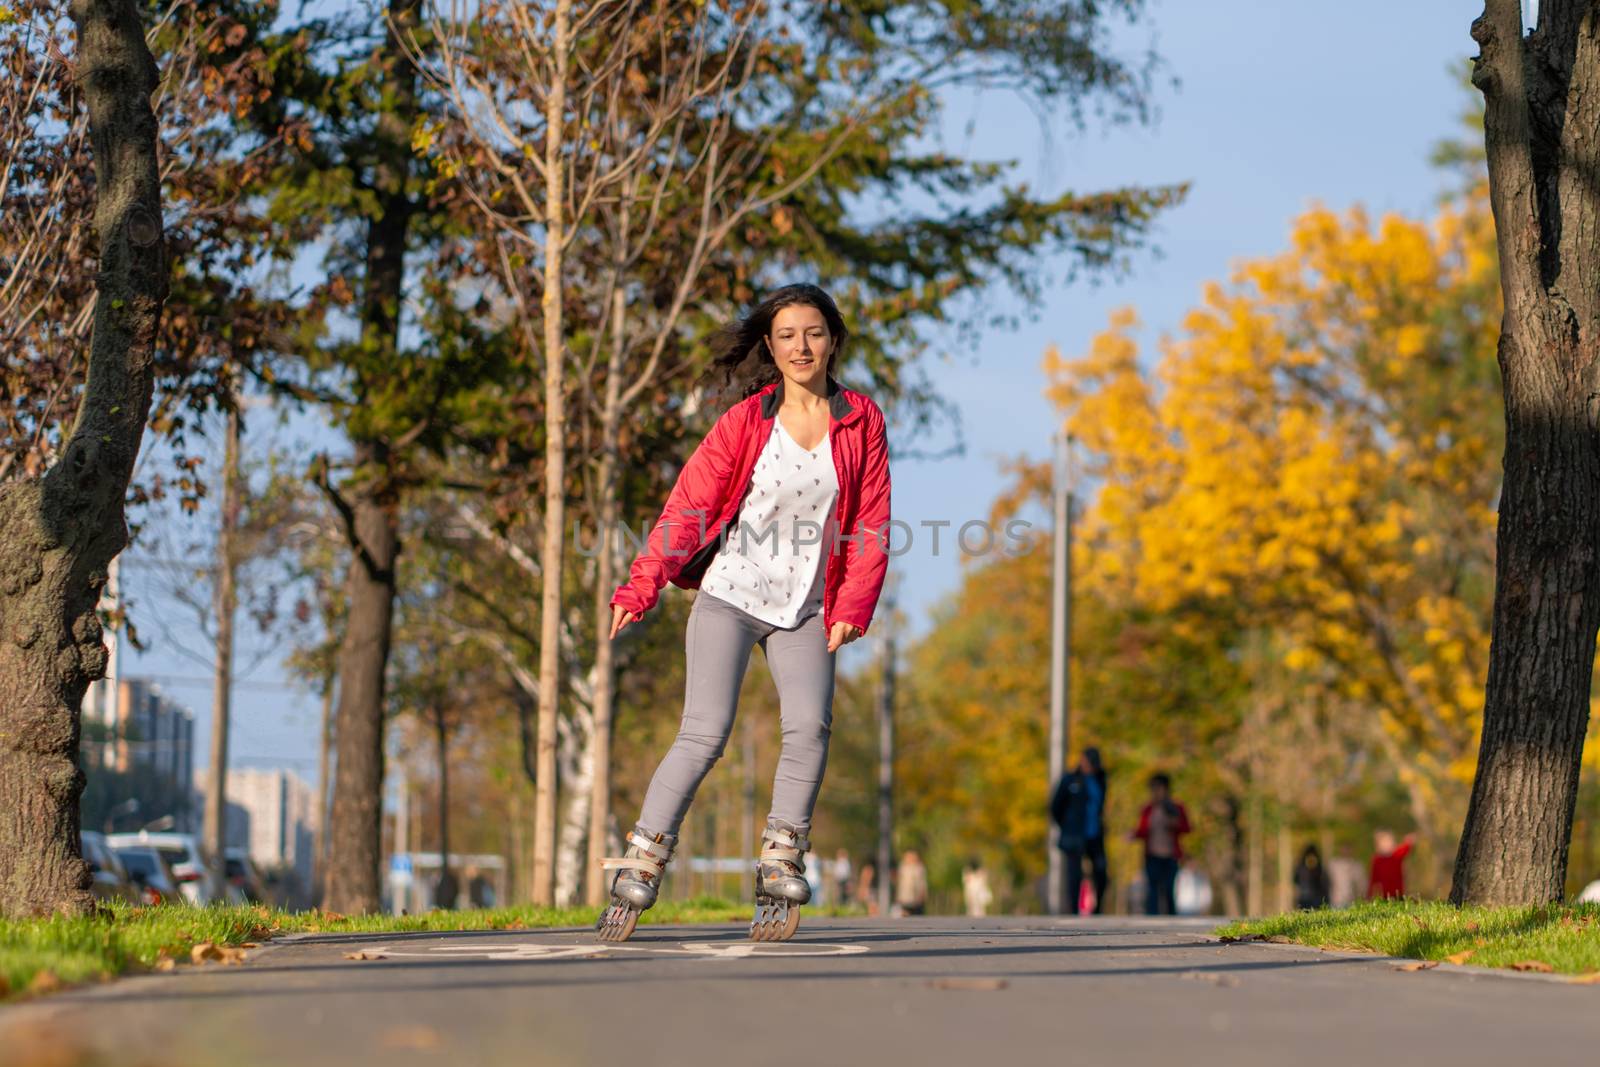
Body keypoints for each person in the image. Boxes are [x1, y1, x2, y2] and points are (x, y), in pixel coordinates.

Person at [598, 284, 892, 943]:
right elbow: (690, 505)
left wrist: (853, 606)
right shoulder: (746, 421)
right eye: (787, 335)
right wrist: (640, 586)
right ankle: (643, 856)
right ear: (770, 344)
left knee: (810, 725)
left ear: (834, 339)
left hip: (808, 606)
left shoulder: (862, 420)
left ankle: (781, 856)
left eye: (813, 333)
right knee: (704, 733)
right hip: (731, 594)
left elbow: (871, 519)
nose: (800, 347)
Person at [1050, 748, 1109, 915]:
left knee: (1101, 872)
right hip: (1074, 835)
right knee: (1074, 875)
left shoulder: (1100, 779)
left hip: (1095, 835)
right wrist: (1067, 825)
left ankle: (1098, 909)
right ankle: (1073, 910)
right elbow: (1055, 807)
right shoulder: (1070, 780)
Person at [1130, 773, 1191, 916]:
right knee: (1152, 890)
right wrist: (1133, 834)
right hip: (1152, 855)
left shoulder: (1176, 808)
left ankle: (1171, 919)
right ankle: (1152, 920)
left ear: (1166, 789)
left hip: (1170, 855)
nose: (1155, 792)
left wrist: (1174, 823)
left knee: (1169, 889)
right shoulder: (1148, 809)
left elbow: (1186, 828)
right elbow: (1143, 830)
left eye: (1158, 788)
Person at [1367, 830, 1415, 900]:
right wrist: (1370, 894)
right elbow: (1373, 879)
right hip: (1384, 895)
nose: (1388, 845)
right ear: (1378, 845)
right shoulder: (1377, 860)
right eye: (1385, 842)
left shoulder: (1396, 855)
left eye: (1390, 842)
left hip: (1399, 893)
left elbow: (1405, 848)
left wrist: (1409, 841)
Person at [1293, 844, 1330, 910]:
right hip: (1306, 897)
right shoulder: (1301, 867)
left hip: (1314, 897)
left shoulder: (1318, 867)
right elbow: (1296, 880)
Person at [896, 849, 928, 916]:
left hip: (916, 898)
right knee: (905, 916)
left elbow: (922, 883)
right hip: (905, 898)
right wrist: (898, 896)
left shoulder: (919, 868)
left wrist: (923, 894)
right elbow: (900, 883)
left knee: (917, 915)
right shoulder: (903, 867)